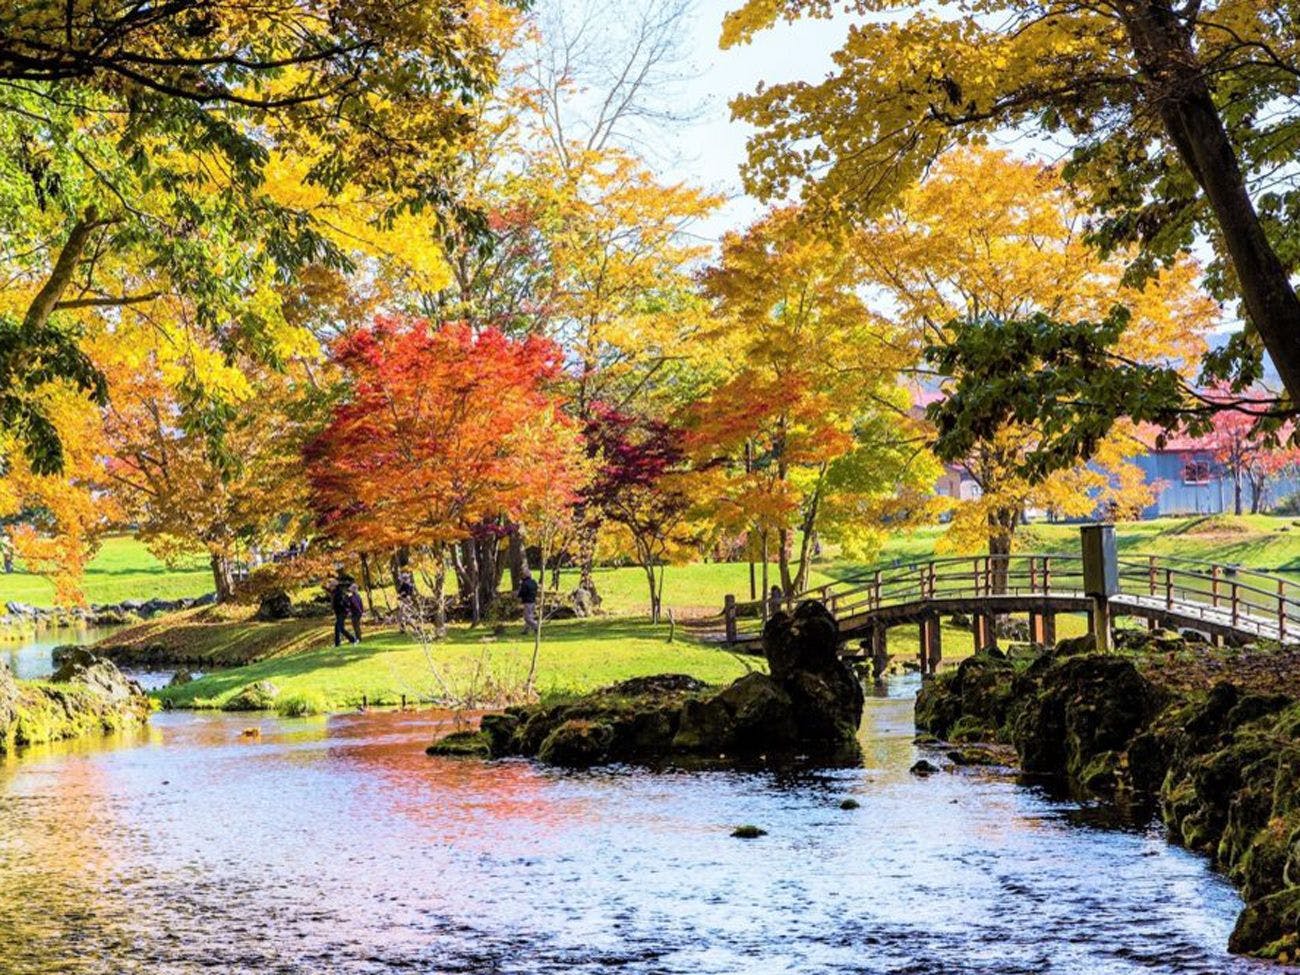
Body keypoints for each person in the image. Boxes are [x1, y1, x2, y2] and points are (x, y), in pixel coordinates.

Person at [330, 578, 355, 647]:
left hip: (342, 612)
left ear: (334, 586)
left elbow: (342, 602)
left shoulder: (339, 592)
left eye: (331, 586)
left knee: (340, 627)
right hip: (339, 612)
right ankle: (337, 643)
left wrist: (346, 609)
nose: (330, 587)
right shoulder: (335, 592)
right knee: (337, 628)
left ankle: (352, 639)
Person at [518, 569, 540, 634]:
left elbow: (522, 592)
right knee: (530, 616)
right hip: (533, 601)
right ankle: (526, 630)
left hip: (527, 602)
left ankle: (536, 626)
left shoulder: (524, 584)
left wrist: (518, 595)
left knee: (527, 617)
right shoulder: (534, 582)